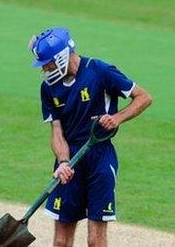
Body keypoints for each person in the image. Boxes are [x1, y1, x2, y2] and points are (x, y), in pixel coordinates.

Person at [29, 27, 152, 247]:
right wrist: (64, 162)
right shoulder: (48, 88)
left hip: (100, 158)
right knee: (60, 241)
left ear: (61, 56)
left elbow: (143, 97)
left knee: (95, 240)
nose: (45, 69)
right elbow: (57, 133)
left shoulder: (100, 71)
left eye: (47, 63)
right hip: (69, 163)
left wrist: (117, 118)